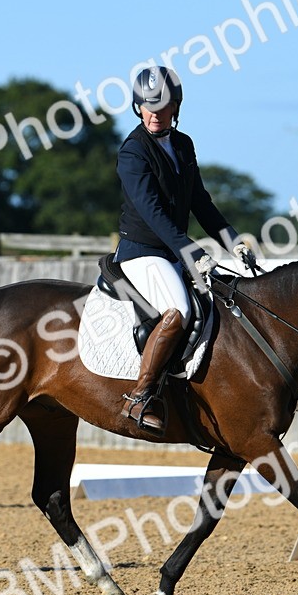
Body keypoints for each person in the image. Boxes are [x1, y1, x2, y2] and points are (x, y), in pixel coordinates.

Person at [113, 66, 256, 435]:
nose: (155, 113)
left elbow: (201, 203)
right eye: (148, 106)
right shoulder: (133, 152)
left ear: (176, 106)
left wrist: (233, 241)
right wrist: (191, 250)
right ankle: (141, 396)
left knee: (226, 302)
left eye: (163, 106)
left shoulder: (183, 144)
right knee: (178, 311)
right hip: (142, 251)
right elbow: (153, 213)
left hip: (174, 252)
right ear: (137, 107)